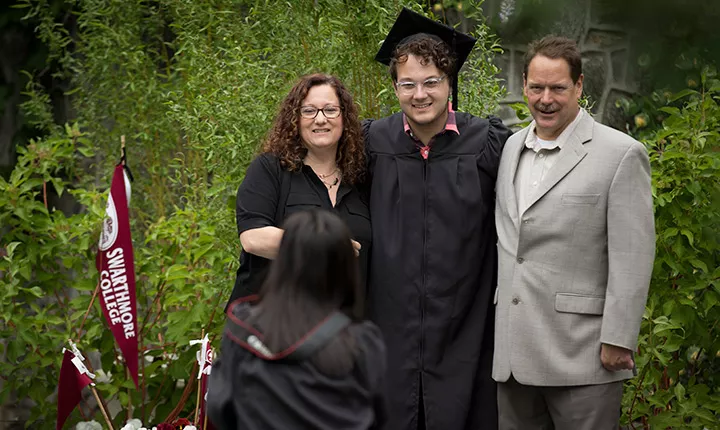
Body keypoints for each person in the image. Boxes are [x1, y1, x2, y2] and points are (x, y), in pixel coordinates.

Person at [492, 36, 655, 429]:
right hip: (513, 357)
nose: (545, 99)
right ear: (524, 86)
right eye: (536, 87)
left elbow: (633, 254)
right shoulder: (511, 147)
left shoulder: (620, 154)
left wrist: (618, 338)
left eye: (558, 88)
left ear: (579, 86)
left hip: (583, 356)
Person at [362, 8, 511, 430]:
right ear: (394, 87)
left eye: (431, 82)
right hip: (389, 326)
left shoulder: (487, 142)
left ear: (450, 84)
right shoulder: (372, 142)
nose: (420, 94)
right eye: (407, 84)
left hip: (466, 324)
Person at [208, 209, 387, 429]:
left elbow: (220, 410)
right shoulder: (361, 340)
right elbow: (378, 416)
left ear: (282, 262)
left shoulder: (244, 330)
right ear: (345, 269)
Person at [225, 73, 371, 312]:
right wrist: (325, 245)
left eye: (330, 110)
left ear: (344, 117)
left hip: (339, 330)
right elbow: (253, 238)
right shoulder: (270, 169)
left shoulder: (360, 179)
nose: (320, 119)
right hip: (270, 328)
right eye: (309, 111)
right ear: (295, 119)